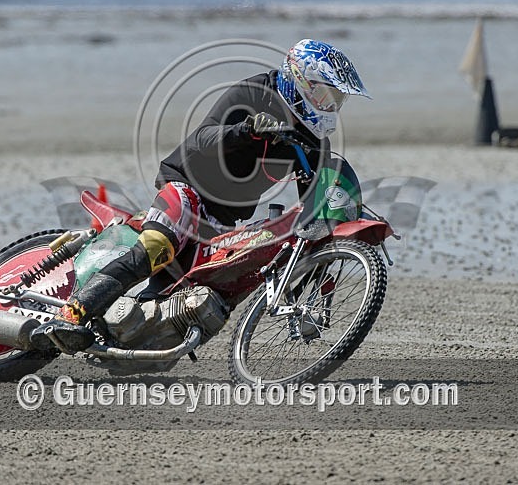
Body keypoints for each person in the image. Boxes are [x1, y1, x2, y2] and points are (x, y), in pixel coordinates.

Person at [30, 38, 370, 352]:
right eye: (327, 96)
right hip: (186, 187)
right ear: (301, 82)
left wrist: (338, 217)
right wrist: (245, 130)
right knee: (157, 246)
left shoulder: (313, 143)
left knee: (196, 292)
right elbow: (203, 137)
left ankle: (128, 337)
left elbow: (307, 217)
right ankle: (73, 313)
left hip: (222, 220)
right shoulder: (255, 92)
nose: (331, 106)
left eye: (337, 101)